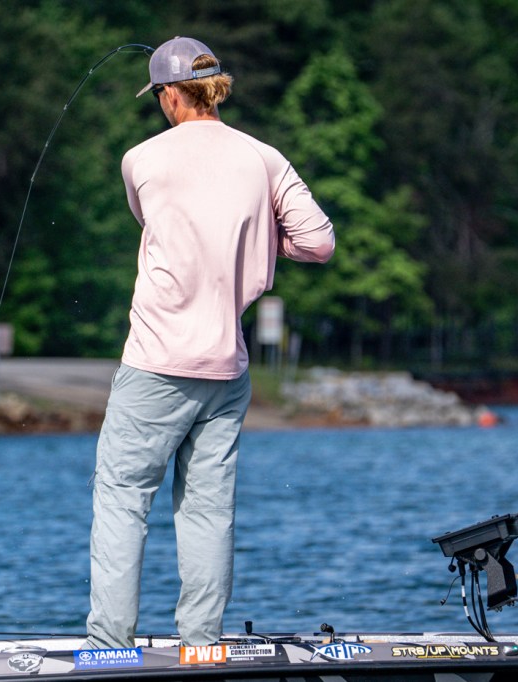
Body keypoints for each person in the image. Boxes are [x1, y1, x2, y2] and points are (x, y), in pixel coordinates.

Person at [84, 36, 335, 650]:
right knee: (207, 509)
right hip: (226, 369)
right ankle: (201, 641)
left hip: (154, 364)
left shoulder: (139, 159)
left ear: (171, 96)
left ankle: (110, 646)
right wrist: (260, 240)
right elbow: (318, 242)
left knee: (122, 499)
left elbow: (154, 223)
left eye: (158, 96)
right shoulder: (266, 159)